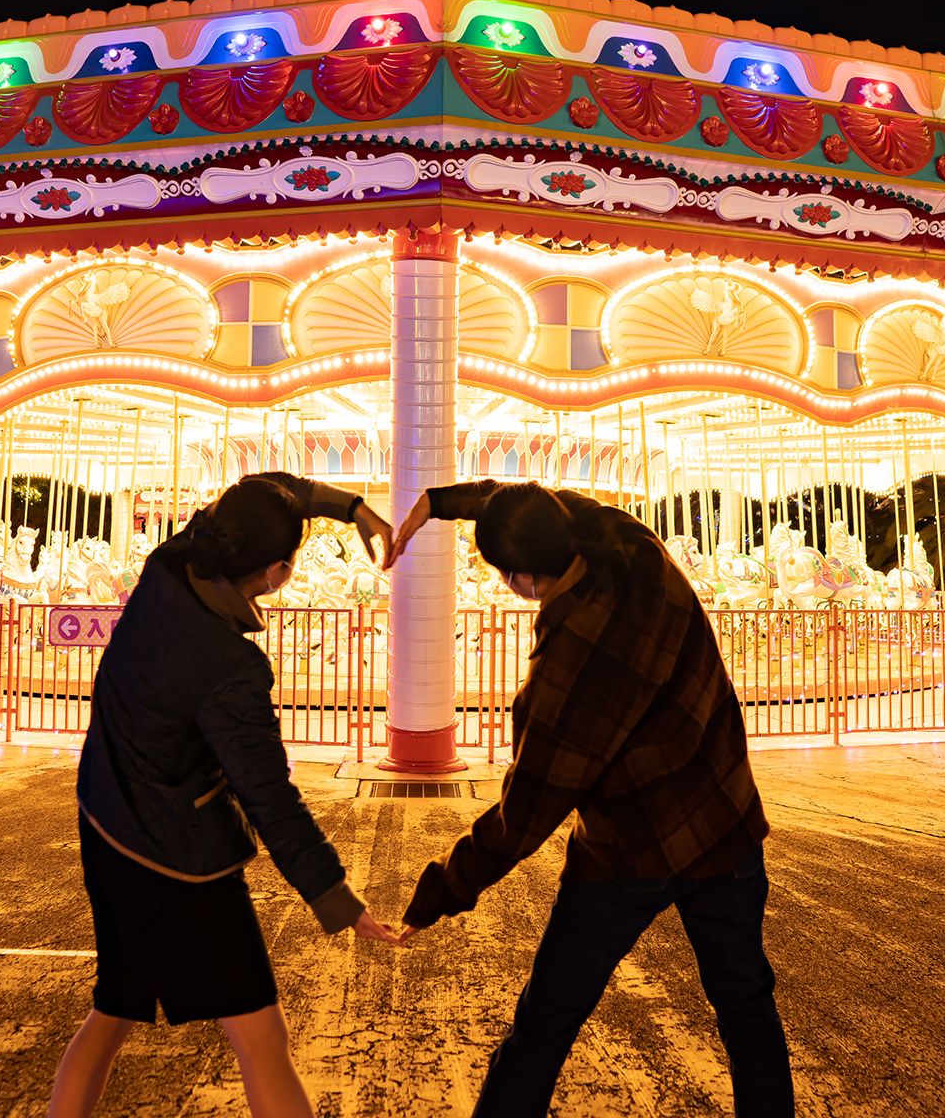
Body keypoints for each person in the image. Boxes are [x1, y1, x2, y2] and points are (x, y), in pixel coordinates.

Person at [387, 480, 792, 1116]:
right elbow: (546, 499)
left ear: (519, 577)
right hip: (723, 821)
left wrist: (444, 887)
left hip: (627, 855)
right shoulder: (632, 543)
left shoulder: (568, 668)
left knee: (546, 1024)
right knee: (747, 1007)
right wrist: (444, 502)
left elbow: (524, 816)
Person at [50, 472, 408, 1118]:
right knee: (261, 1036)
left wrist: (348, 507)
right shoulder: (228, 671)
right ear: (276, 571)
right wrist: (337, 899)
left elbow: (264, 489)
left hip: (105, 815)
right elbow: (270, 800)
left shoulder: (173, 559)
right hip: (172, 858)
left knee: (112, 1010)